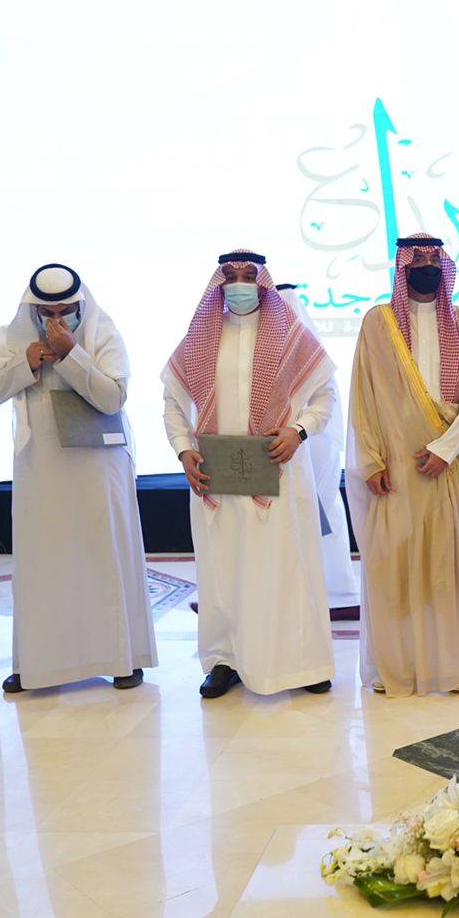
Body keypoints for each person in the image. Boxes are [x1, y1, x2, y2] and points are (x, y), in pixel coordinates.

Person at [162, 250, 336, 699]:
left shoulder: (291, 334)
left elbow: (325, 397)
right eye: (231, 276)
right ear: (219, 284)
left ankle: (304, 663)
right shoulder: (201, 337)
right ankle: (226, 660)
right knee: (223, 570)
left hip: (279, 470)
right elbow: (173, 403)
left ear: (262, 282)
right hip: (217, 476)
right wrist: (183, 450)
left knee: (287, 567)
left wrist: (299, 431)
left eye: (248, 275)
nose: (240, 283)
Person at [0, 264, 157, 692]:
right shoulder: (11, 337)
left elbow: (113, 398)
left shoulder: (102, 332)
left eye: (65, 311)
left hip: (98, 468)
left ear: (80, 305)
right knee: (44, 563)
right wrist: (25, 363)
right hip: (41, 469)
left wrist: (72, 354)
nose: (56, 320)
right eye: (47, 312)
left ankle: (120, 658)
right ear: (33, 309)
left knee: (102, 557)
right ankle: (39, 663)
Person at [346, 234, 459, 696]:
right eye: (417, 258)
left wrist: (445, 449)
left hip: (449, 466)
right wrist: (369, 460)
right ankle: (397, 666)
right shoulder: (378, 322)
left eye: (433, 258)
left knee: (448, 570)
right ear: (402, 266)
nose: (425, 266)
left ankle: (453, 667)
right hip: (396, 466)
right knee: (395, 567)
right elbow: (363, 395)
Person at [275, 282, 360, 621]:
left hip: (313, 448)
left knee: (321, 515)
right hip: (283, 453)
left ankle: (339, 594)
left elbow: (324, 407)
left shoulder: (311, 355)